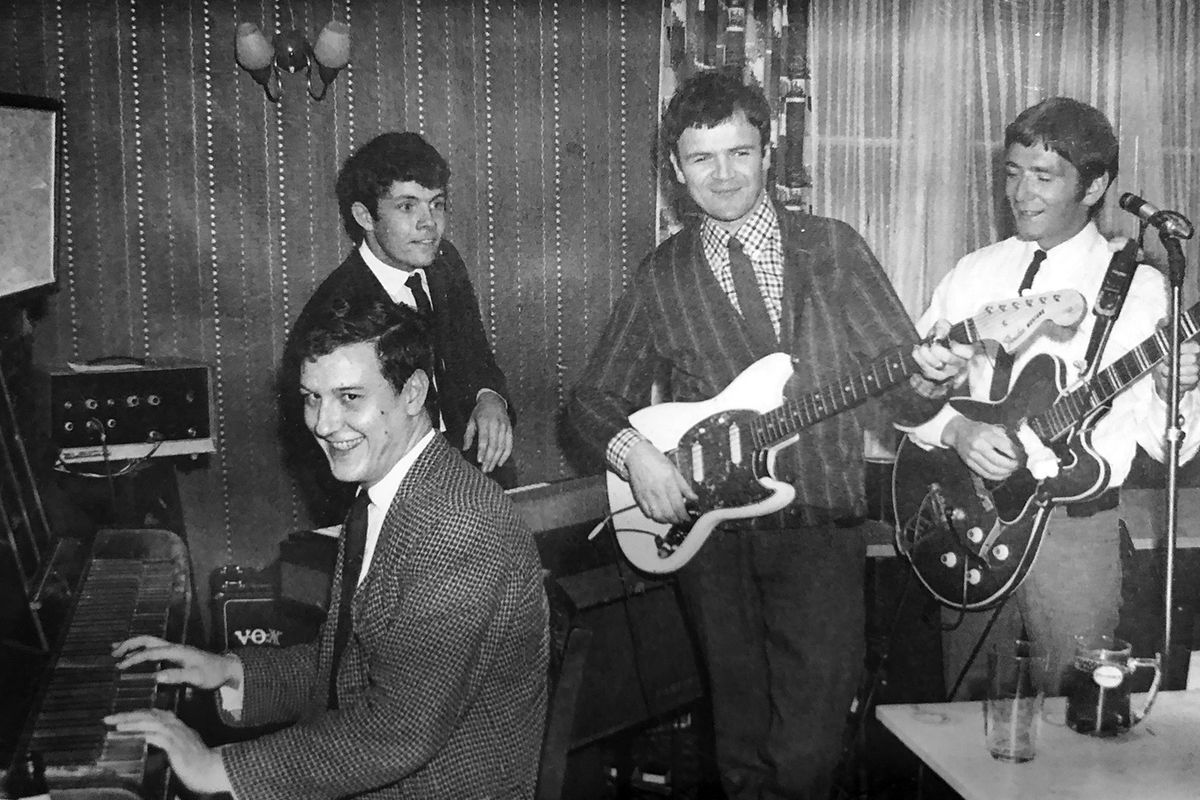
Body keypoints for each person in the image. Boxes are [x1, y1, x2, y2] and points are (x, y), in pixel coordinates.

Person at [567, 69, 968, 800]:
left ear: (768, 152)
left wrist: (935, 377)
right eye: (701, 159)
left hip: (818, 529)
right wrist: (639, 456)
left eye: (739, 153)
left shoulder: (833, 249)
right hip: (711, 543)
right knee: (740, 749)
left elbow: (903, 398)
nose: (723, 174)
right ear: (677, 171)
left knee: (809, 751)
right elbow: (589, 403)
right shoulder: (663, 275)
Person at [107, 297, 549, 799]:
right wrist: (230, 671)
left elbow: (397, 731)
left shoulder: (454, 526)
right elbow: (352, 664)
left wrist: (219, 768)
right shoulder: (382, 493)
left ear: (413, 392)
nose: (321, 422)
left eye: (349, 397)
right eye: (312, 397)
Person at [905, 96, 1200, 697]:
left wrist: (1175, 390)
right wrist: (954, 430)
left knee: (1076, 717)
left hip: (1075, 535)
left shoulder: (1143, 291)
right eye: (1013, 172)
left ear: (1093, 187)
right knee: (964, 720)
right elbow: (908, 396)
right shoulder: (973, 272)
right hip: (969, 515)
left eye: (1044, 176)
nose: (1021, 192)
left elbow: (1172, 449)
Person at [287, 131, 516, 525]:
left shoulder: (444, 263)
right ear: (364, 217)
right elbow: (332, 444)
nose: (429, 224)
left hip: (465, 473)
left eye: (437, 204)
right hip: (388, 501)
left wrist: (489, 396)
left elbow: (473, 352)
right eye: (407, 206)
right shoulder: (339, 306)